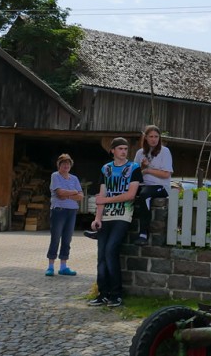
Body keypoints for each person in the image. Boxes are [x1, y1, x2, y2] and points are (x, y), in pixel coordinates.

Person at [90, 137, 142, 308]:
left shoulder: (134, 168)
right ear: (112, 150)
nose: (123, 152)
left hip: (123, 214)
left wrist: (106, 200)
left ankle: (116, 294)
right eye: (120, 148)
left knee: (111, 250)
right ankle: (102, 294)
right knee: (101, 256)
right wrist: (97, 218)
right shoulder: (106, 169)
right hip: (106, 217)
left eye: (125, 149)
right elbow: (101, 197)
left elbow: (130, 195)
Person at [131, 124, 173, 244]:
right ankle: (105, 226)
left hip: (160, 186)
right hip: (142, 184)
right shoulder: (140, 153)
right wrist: (142, 167)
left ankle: (143, 233)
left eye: (156, 136)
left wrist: (148, 169)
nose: (154, 139)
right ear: (145, 138)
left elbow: (166, 174)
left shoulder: (165, 151)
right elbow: (135, 174)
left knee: (145, 195)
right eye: (151, 136)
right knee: (122, 191)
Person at [46, 153, 84, 276]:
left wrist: (67, 195)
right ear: (59, 165)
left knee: (67, 239)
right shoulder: (55, 176)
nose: (66, 166)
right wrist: (73, 192)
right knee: (56, 238)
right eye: (63, 164)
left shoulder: (74, 178)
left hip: (71, 211)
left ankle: (63, 266)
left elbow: (81, 196)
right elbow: (59, 193)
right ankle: (50, 266)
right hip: (59, 211)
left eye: (68, 164)